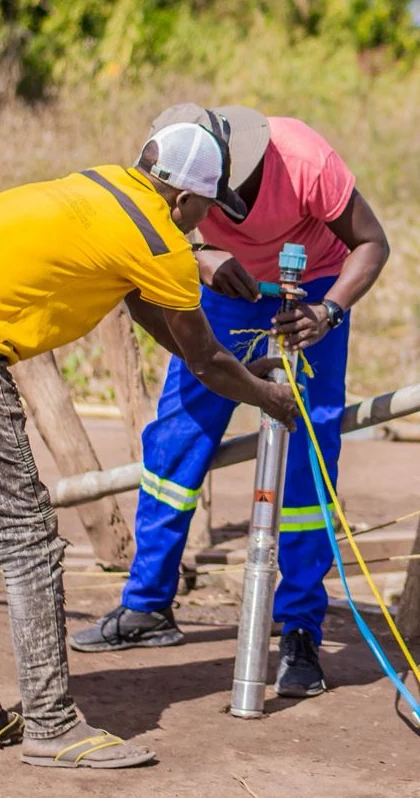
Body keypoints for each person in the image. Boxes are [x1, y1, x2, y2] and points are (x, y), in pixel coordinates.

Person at [0, 119, 298, 770]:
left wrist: (241, 375)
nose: (207, 222)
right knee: (28, 536)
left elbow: (151, 313)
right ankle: (51, 724)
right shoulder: (159, 240)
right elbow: (204, 359)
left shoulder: (104, 186)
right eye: (207, 209)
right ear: (183, 199)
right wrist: (266, 396)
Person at [73, 104, 388, 699]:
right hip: (226, 287)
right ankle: (147, 605)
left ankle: (300, 628)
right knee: (177, 437)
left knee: (308, 445)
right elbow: (149, 234)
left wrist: (328, 311)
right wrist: (201, 258)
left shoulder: (306, 161)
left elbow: (372, 243)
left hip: (313, 289)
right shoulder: (177, 159)